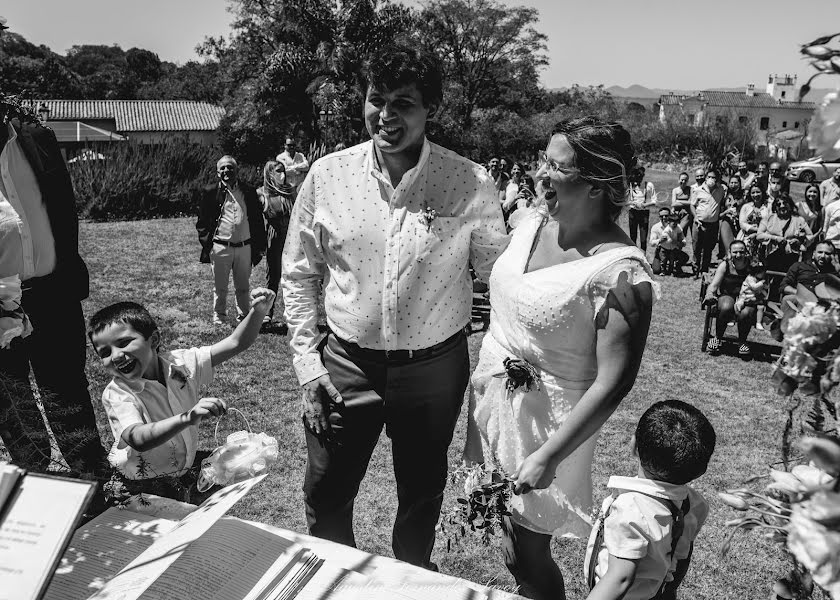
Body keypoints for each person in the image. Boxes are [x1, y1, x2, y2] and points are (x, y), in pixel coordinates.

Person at [281, 45, 508, 569]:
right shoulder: (327, 176)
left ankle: (410, 580)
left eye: (403, 102)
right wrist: (308, 365)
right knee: (326, 490)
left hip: (435, 367)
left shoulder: (469, 182)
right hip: (344, 365)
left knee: (422, 493)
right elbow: (297, 274)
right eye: (375, 99)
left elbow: (500, 278)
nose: (385, 115)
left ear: (431, 107)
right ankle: (338, 577)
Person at [465, 116, 657, 600]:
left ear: (596, 185)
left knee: (528, 552)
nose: (540, 175)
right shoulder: (532, 220)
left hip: (550, 427)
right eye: (543, 161)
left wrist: (549, 456)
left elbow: (615, 382)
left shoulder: (620, 272)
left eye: (557, 167)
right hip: (494, 400)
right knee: (507, 538)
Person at [0, 113, 106, 474]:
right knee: (12, 400)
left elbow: (61, 205)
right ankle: (34, 480)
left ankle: (92, 482)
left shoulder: (36, 138)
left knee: (68, 390)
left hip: (53, 290)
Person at [88, 289, 274, 491]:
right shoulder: (118, 393)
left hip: (182, 470)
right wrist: (187, 418)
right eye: (105, 353)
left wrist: (258, 311)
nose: (115, 356)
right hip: (140, 484)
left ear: (154, 340)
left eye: (123, 343)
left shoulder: (181, 363)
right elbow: (137, 438)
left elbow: (235, 343)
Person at [584, 400, 715, 600]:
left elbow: (619, 579)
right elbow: (682, 555)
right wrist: (669, 590)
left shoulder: (630, 510)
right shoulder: (695, 504)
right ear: (701, 470)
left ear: (633, 445)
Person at [196, 155, 267, 326]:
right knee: (220, 287)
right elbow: (202, 222)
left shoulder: (248, 191)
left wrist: (259, 246)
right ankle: (219, 316)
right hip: (221, 247)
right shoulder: (210, 192)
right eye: (223, 168)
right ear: (217, 171)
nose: (226, 171)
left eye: (230, 167)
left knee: (243, 287)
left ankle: (243, 316)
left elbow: (257, 219)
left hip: (244, 247)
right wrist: (209, 245)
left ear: (237, 170)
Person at [257, 160, 296, 330]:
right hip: (275, 238)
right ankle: (266, 315)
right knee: (273, 277)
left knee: (294, 277)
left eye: (283, 171)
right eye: (278, 171)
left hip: (292, 238)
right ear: (269, 174)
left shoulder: (290, 192)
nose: (282, 175)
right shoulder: (263, 194)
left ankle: (295, 315)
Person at [703, 240, 755, 357]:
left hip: (746, 297)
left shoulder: (751, 265)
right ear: (730, 252)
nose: (738, 255)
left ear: (746, 252)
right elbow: (714, 284)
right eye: (735, 252)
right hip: (728, 294)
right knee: (726, 306)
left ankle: (742, 341)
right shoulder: (725, 265)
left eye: (741, 252)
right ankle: (718, 337)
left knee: (746, 312)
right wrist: (710, 294)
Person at [757, 194, 813, 272]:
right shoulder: (768, 219)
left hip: (792, 258)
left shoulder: (799, 220)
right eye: (778, 204)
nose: (782, 206)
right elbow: (759, 235)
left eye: (785, 203)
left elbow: (810, 236)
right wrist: (775, 238)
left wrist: (799, 242)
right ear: (775, 207)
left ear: (790, 205)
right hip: (771, 257)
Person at [780, 241, 837, 307]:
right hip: (798, 301)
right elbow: (784, 286)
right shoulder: (799, 266)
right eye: (820, 252)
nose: (823, 256)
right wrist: (800, 293)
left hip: (821, 306)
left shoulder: (835, 273)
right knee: (789, 299)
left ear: (832, 256)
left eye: (827, 253)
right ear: (814, 253)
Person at [691, 169, 725, 278]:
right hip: (699, 223)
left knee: (708, 248)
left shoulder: (721, 190)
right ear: (705, 178)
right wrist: (695, 217)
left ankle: (704, 270)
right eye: (709, 177)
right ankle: (695, 270)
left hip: (713, 224)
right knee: (697, 247)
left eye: (714, 177)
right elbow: (692, 205)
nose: (711, 179)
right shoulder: (698, 190)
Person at [626, 166, 657, 252]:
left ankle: (643, 256)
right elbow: (625, 201)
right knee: (632, 237)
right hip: (633, 212)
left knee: (643, 238)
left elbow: (654, 201)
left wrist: (645, 205)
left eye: (640, 177)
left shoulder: (649, 185)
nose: (637, 180)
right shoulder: (631, 185)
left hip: (644, 214)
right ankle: (634, 254)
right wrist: (632, 203)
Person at [649, 208, 687, 276]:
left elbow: (682, 237)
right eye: (661, 216)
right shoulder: (655, 227)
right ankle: (664, 267)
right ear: (659, 217)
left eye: (666, 215)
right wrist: (659, 240)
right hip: (662, 249)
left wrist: (682, 243)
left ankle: (675, 267)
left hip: (674, 249)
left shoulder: (676, 226)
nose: (664, 218)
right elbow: (651, 243)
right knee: (656, 270)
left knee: (685, 257)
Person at [735, 263, 768, 331]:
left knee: (761, 307)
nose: (763, 274)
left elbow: (763, 289)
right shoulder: (750, 278)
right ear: (756, 273)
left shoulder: (760, 279)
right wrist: (761, 283)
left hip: (754, 297)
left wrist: (765, 290)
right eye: (762, 273)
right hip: (745, 296)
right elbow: (754, 287)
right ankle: (734, 316)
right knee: (739, 305)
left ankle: (758, 322)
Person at [719, 174, 744, 255]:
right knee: (729, 247)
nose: (733, 185)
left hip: (740, 221)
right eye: (731, 183)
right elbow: (719, 215)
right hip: (727, 220)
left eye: (736, 183)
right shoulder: (725, 196)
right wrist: (727, 211)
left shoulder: (744, 196)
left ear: (740, 184)